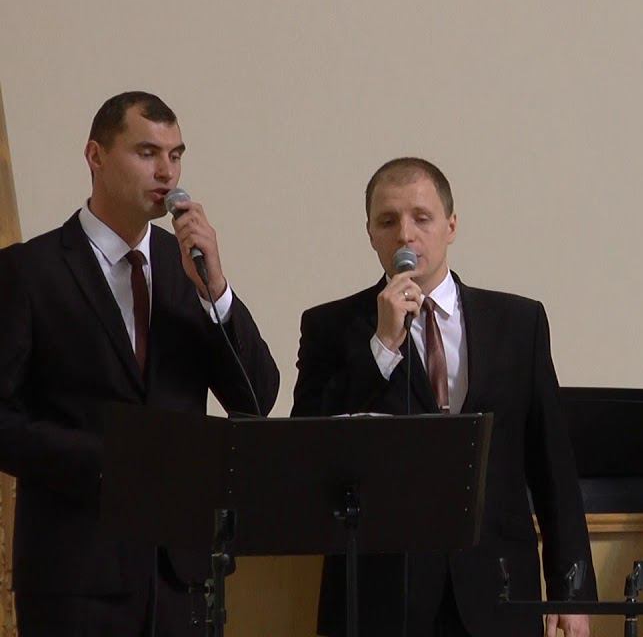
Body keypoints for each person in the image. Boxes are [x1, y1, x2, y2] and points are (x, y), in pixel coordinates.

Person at [0, 91, 281, 636]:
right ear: (96, 156)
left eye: (176, 156)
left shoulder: (187, 269)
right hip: (76, 572)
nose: (166, 173)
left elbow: (256, 397)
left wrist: (217, 291)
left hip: (181, 573)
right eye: (147, 153)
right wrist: (108, 461)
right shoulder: (29, 272)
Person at [292, 157, 594, 636]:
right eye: (387, 221)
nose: (405, 235)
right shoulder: (331, 327)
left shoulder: (517, 324)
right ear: (370, 234)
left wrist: (571, 590)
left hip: (497, 587)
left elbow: (552, 463)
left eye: (422, 218)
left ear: (451, 226)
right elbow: (310, 447)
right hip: (380, 593)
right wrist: (382, 346)